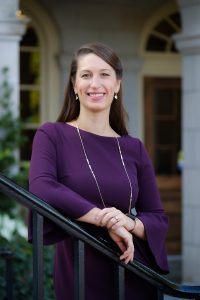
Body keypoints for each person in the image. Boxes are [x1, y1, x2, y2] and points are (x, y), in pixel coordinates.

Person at [28, 42, 169, 300]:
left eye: (105, 74)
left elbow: (157, 217)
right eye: (86, 75)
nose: (95, 83)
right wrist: (103, 219)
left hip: (133, 268)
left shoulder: (133, 147)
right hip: (80, 268)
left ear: (117, 85)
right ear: (74, 84)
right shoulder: (52, 135)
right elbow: (41, 186)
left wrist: (127, 222)